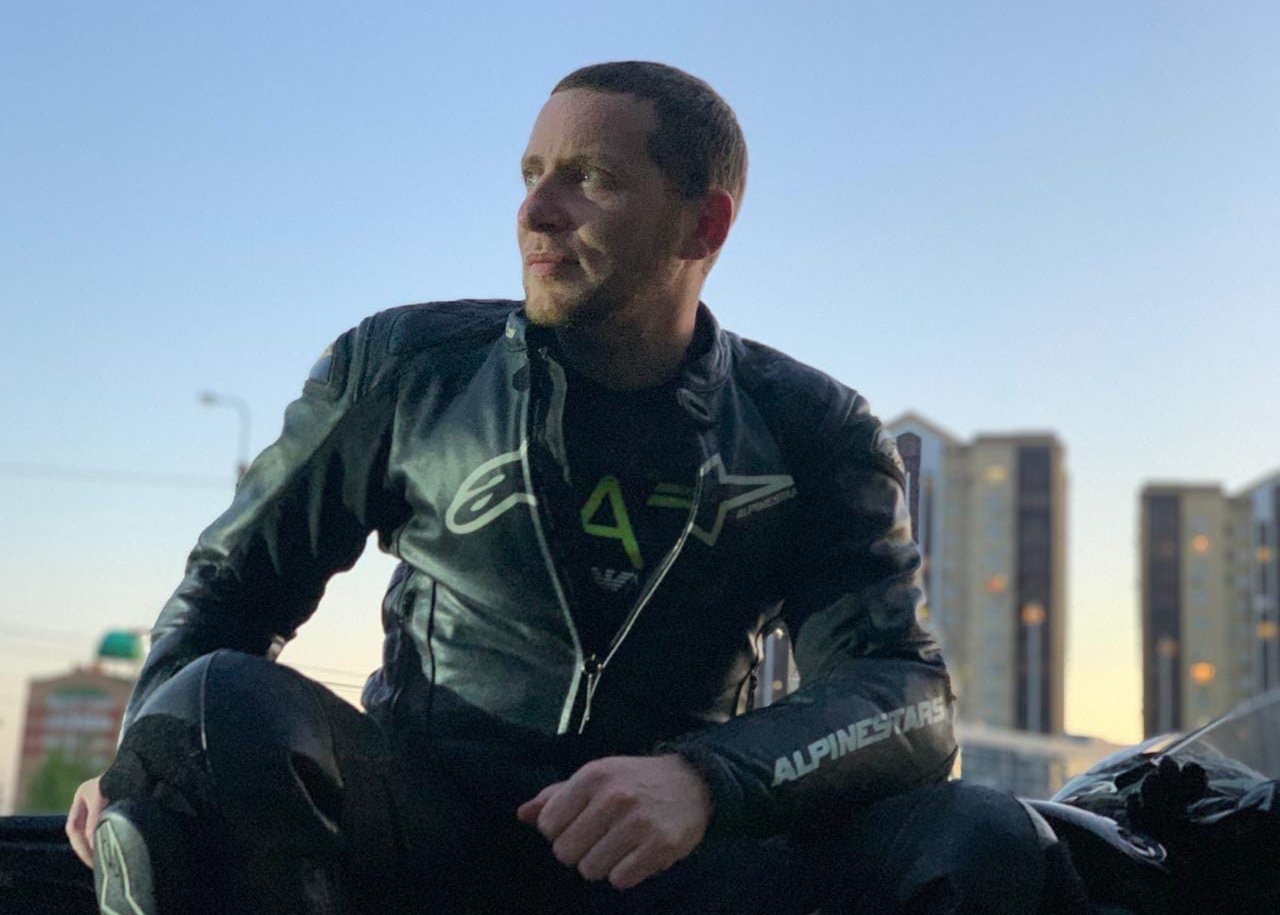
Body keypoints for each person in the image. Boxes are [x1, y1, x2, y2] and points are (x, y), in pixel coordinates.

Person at [68, 61, 1086, 915]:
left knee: (979, 833)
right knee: (218, 702)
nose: (534, 213)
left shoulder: (811, 427)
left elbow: (905, 697)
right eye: (529, 175)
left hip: (676, 854)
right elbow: (229, 591)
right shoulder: (404, 368)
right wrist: (145, 758)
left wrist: (705, 782)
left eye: (588, 179)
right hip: (425, 829)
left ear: (703, 225)